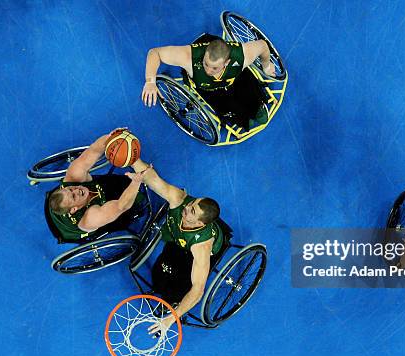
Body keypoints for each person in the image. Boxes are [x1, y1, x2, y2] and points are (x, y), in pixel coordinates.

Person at [128, 157, 224, 335]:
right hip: (175, 239)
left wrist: (172, 317)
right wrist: (131, 157)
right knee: (161, 271)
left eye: (192, 211)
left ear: (199, 224)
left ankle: (174, 301)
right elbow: (153, 179)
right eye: (192, 203)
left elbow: (198, 289)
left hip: (190, 251)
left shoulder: (201, 247)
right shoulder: (179, 200)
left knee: (178, 288)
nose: (187, 207)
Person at [141, 35, 276, 129]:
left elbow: (263, 45)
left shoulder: (242, 55)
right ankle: (241, 115)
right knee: (225, 105)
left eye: (214, 68)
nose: (208, 70)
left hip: (231, 78)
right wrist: (150, 81)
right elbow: (155, 53)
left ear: (226, 62)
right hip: (205, 87)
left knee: (247, 84)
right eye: (206, 64)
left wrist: (267, 65)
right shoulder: (190, 57)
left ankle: (256, 107)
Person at [47, 131, 150, 241]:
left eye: (70, 189)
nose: (76, 190)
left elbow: (93, 151)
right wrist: (136, 182)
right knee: (126, 213)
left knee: (113, 181)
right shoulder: (90, 219)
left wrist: (111, 138)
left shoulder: (73, 177)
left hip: (88, 196)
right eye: (73, 196)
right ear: (74, 209)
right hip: (77, 228)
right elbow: (121, 206)